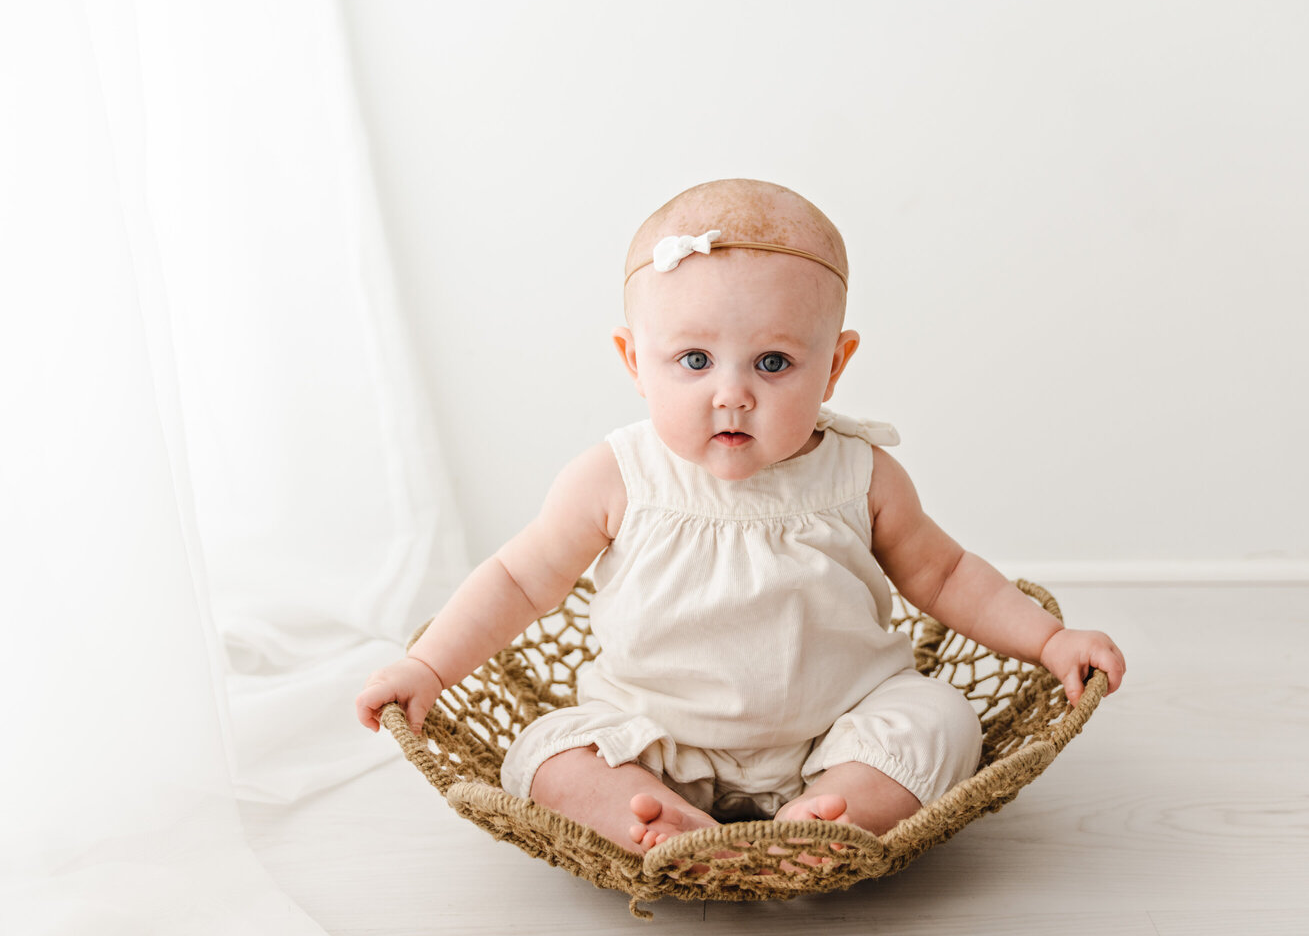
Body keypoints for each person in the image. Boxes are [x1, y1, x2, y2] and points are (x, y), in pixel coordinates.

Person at [356, 178, 1126, 854]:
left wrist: (1048, 637)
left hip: (839, 728)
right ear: (634, 362)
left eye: (773, 363)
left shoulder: (861, 475)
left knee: (943, 721)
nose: (732, 393)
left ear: (834, 363)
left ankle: (828, 815)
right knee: (546, 752)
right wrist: (428, 669)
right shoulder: (615, 477)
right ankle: (658, 818)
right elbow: (518, 581)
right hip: (655, 738)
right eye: (694, 360)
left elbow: (949, 573)